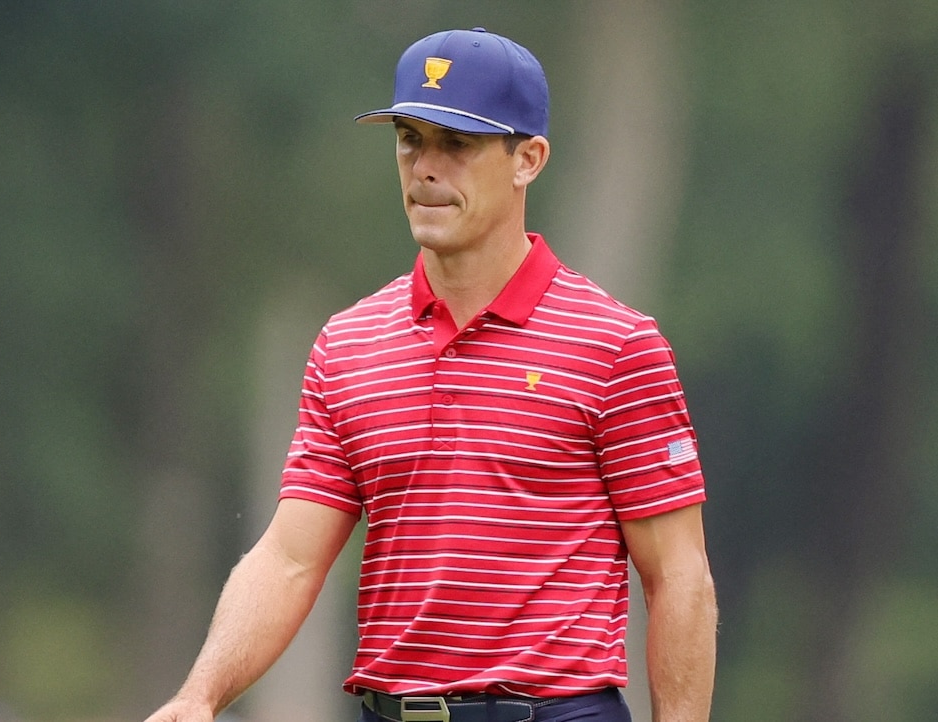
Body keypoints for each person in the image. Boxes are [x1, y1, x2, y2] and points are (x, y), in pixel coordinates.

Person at [144, 27, 716, 722]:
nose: (425, 169)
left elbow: (677, 577)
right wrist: (200, 695)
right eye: (410, 140)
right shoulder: (348, 345)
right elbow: (289, 559)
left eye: (457, 144)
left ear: (527, 159)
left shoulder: (614, 345)